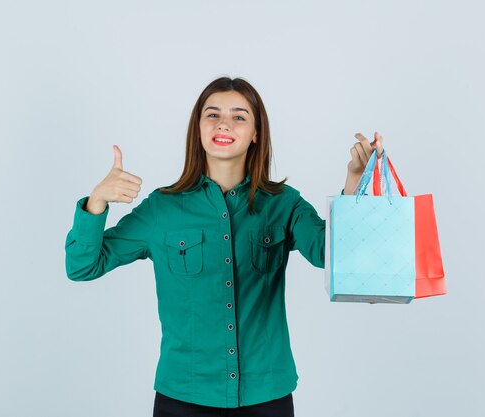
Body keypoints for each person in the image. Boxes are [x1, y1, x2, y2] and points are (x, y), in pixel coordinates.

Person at [64, 76, 384, 417]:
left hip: (267, 395)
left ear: (256, 133)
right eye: (212, 114)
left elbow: (332, 255)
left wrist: (355, 182)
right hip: (183, 397)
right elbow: (83, 266)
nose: (224, 124)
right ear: (198, 128)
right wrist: (97, 200)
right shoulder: (162, 209)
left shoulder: (284, 204)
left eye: (239, 116)